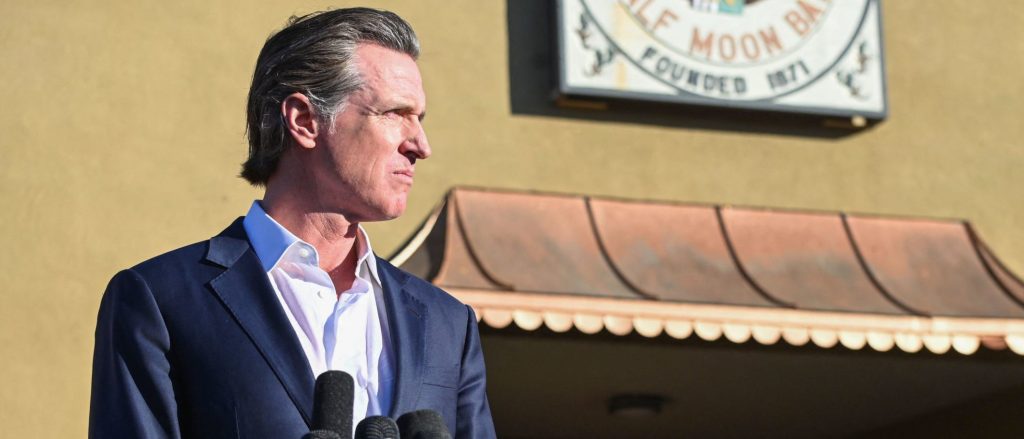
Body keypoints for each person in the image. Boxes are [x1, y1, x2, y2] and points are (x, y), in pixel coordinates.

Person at [89, 8, 495, 438]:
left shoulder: (449, 324)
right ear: (304, 120)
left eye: (420, 119)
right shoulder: (161, 300)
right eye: (394, 113)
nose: (420, 146)